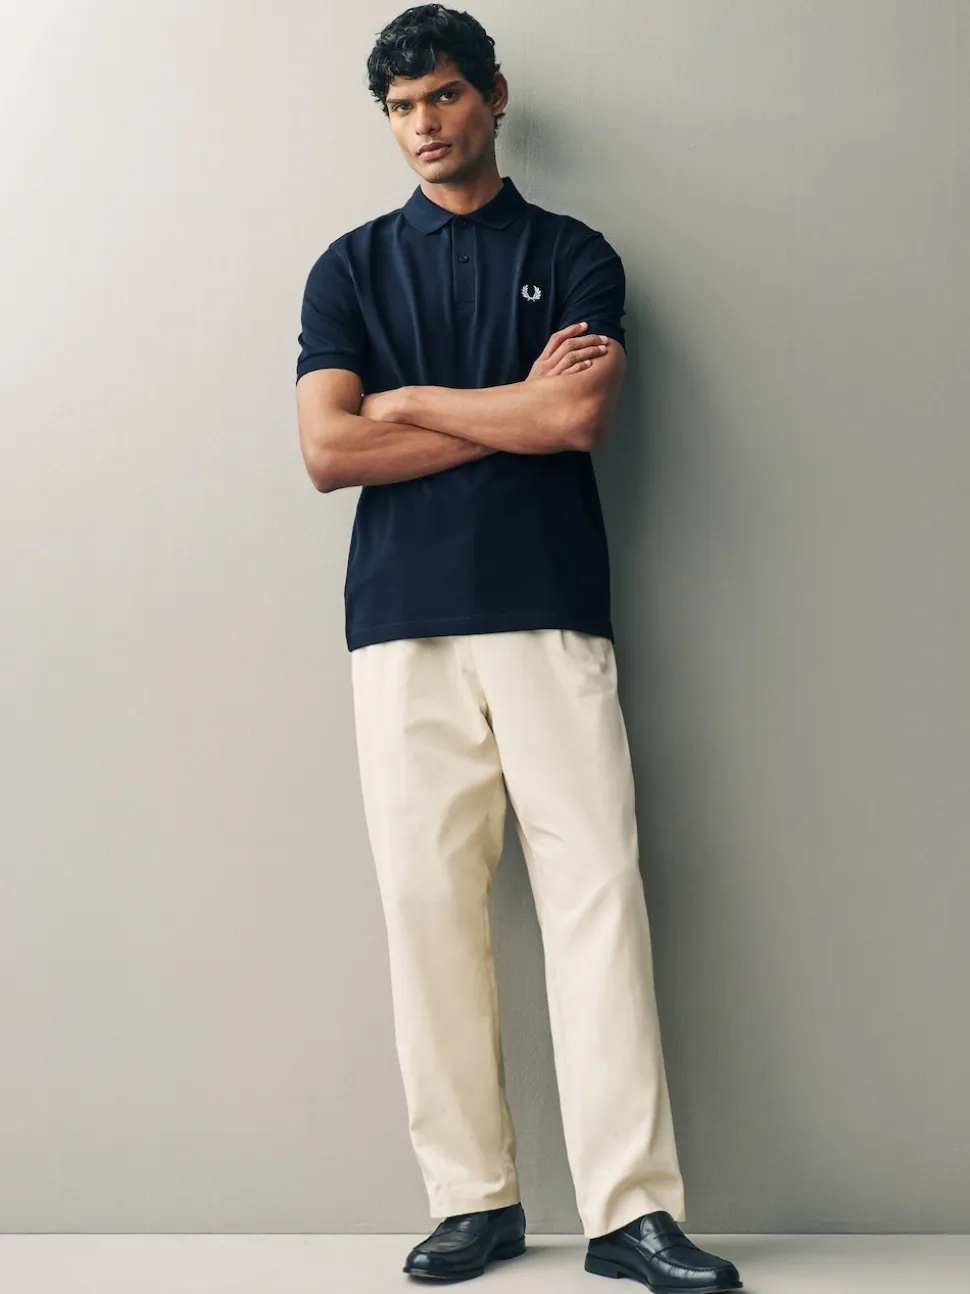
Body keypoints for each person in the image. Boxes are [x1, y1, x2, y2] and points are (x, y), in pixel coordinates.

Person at [294, 6, 743, 1289]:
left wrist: (413, 400)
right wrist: (512, 408)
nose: (422, 125)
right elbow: (328, 450)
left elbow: (576, 418)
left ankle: (630, 1213)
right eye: (399, 108)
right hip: (401, 624)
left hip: (550, 611)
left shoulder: (574, 252)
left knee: (597, 896)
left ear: (492, 95)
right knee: (426, 911)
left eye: (441, 96)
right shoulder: (348, 268)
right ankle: (472, 1199)